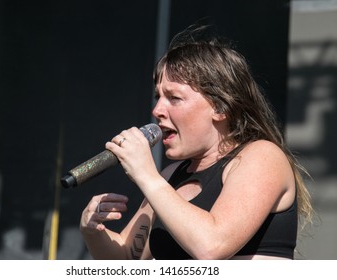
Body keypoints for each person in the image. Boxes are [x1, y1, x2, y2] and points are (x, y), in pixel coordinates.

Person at [79, 25, 313, 260]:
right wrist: (93, 232)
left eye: (174, 98)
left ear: (221, 107)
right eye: (158, 97)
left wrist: (146, 175)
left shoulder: (262, 157)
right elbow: (128, 259)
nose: (157, 110)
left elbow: (212, 246)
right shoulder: (170, 176)